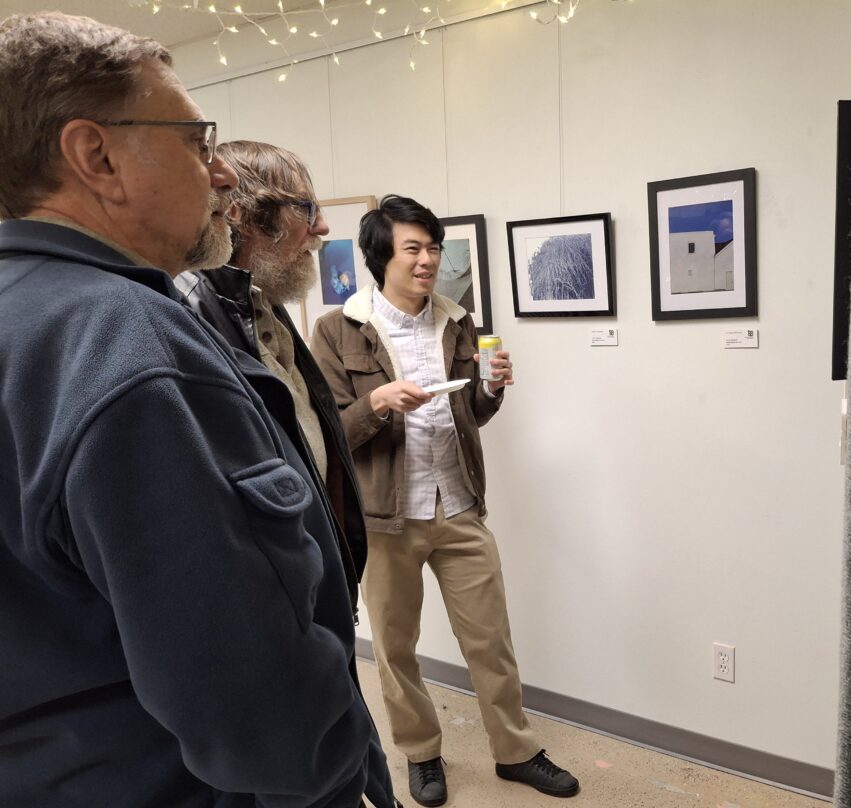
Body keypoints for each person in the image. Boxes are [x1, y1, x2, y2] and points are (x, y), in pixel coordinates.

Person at [0, 13, 396, 808]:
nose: (220, 175)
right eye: (194, 141)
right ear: (96, 156)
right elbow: (259, 710)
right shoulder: (129, 342)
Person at [310, 195, 580, 806]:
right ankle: (421, 754)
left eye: (433, 247)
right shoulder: (335, 329)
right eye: (414, 248)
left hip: (458, 505)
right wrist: (378, 404)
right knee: (397, 646)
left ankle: (516, 752)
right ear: (382, 257)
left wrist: (491, 387)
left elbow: (472, 415)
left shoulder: (457, 321)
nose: (428, 259)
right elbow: (327, 432)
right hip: (385, 517)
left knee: (491, 638)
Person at [176, 140, 368, 622]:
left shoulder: (263, 305)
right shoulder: (192, 318)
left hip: (314, 581)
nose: (322, 227)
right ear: (245, 214)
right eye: (306, 208)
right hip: (276, 603)